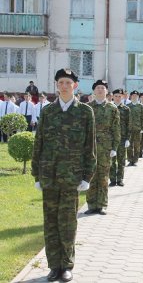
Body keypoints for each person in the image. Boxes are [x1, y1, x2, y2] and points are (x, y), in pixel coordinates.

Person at [31, 68, 96, 282]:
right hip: (49, 176)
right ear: (56, 86)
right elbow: (38, 143)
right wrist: (37, 175)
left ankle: (67, 265)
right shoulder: (48, 111)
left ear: (75, 85)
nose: (64, 86)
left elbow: (90, 146)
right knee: (50, 223)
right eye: (61, 82)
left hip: (72, 179)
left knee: (67, 223)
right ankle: (53, 266)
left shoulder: (85, 112)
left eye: (68, 82)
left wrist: (87, 176)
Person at [85, 80, 120, 215]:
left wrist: (114, 147)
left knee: (104, 177)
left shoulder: (112, 108)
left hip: (106, 147)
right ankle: (91, 204)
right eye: (98, 88)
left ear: (106, 91)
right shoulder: (88, 107)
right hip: (91, 147)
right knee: (91, 175)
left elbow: (116, 129)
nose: (100, 90)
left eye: (103, 88)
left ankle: (102, 204)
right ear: (94, 91)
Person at [110, 89, 131, 187]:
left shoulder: (126, 109)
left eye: (120, 96)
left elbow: (128, 124)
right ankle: (113, 179)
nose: (118, 98)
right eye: (116, 96)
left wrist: (128, 138)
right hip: (110, 138)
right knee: (112, 160)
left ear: (122, 97)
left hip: (122, 138)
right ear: (113, 97)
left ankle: (120, 179)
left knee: (121, 160)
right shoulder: (109, 107)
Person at [127, 90, 143, 165]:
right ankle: (130, 160)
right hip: (129, 129)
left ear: (138, 97)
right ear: (131, 97)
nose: (135, 97)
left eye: (136, 96)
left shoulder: (140, 106)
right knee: (129, 145)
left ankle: (135, 160)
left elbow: (142, 117)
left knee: (137, 145)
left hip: (138, 129)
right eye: (133, 96)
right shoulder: (128, 106)